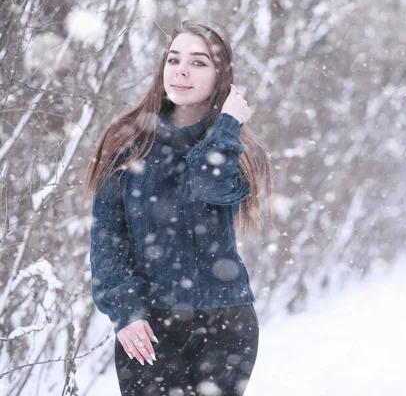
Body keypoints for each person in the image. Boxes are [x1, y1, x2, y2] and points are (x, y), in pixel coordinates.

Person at [84, 20, 272, 396]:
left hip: (225, 322)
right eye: (174, 59)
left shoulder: (236, 148)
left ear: (221, 77)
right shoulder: (127, 141)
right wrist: (125, 312)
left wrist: (226, 125)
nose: (182, 70)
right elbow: (107, 237)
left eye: (199, 62)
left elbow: (210, 184)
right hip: (150, 325)